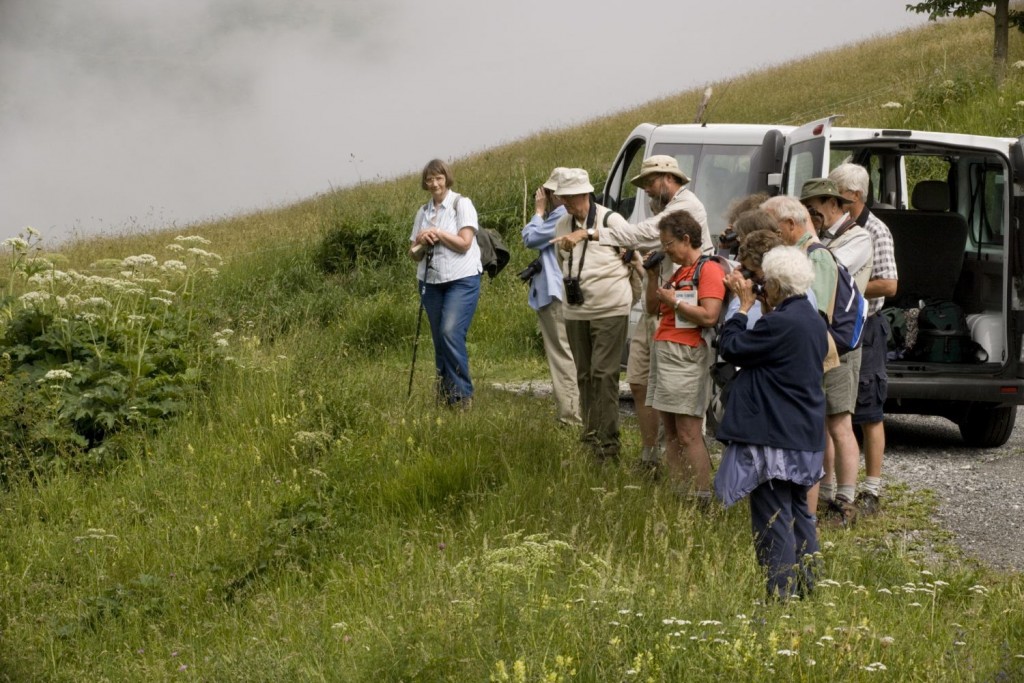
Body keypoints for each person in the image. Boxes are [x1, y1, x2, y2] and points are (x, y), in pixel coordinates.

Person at [715, 245, 828, 600]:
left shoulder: (779, 323)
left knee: (773, 518)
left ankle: (781, 596)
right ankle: (809, 589)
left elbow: (731, 346)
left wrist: (744, 308)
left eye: (765, 283)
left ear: (776, 286)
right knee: (800, 515)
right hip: (802, 433)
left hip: (774, 436)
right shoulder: (811, 317)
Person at [760, 194, 859, 527]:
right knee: (821, 425)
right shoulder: (800, 253)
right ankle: (824, 494)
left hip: (832, 352)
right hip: (819, 350)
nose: (770, 234)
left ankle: (845, 502)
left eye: (773, 227)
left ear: (790, 224)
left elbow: (819, 314)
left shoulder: (816, 257)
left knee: (839, 423)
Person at [829, 163, 899, 516]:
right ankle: (835, 488)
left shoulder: (876, 230)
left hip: (866, 325)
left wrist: (844, 287)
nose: (830, 199)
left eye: (835, 193)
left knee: (870, 410)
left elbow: (888, 284)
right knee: (836, 408)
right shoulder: (835, 229)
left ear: (853, 195)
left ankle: (871, 490)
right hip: (837, 328)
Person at [552, 168, 633, 460]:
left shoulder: (611, 220)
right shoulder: (561, 224)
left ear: (584, 193)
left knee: (604, 373)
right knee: (584, 374)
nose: (565, 203)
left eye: (570, 198)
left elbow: (632, 257)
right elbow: (563, 260)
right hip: (576, 310)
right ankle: (590, 436)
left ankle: (609, 444)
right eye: (563, 198)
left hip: (610, 308)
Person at [645, 210, 724, 502]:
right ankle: (680, 493)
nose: (665, 249)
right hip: (664, 352)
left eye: (669, 243)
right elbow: (653, 307)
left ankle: (703, 496)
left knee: (689, 431)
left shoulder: (709, 270)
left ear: (686, 238)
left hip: (686, 355)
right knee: (671, 431)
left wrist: (675, 302)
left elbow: (709, 315)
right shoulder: (677, 272)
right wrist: (653, 277)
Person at [409, 158, 482, 409]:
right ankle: (445, 394)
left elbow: (464, 243)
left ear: (446, 178)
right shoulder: (423, 212)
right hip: (431, 281)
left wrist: (438, 234)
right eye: (429, 179)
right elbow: (413, 253)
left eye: (438, 178)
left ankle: (462, 396)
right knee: (439, 340)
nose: (434, 183)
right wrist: (421, 238)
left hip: (462, 280)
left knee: (450, 332)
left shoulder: (462, 204)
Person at [521, 167, 581, 426]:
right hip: (576, 292)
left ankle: (571, 417)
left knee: (562, 355)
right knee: (576, 354)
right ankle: (580, 411)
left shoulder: (558, 218)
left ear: (556, 194)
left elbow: (530, 238)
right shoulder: (583, 216)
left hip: (556, 295)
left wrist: (537, 211)